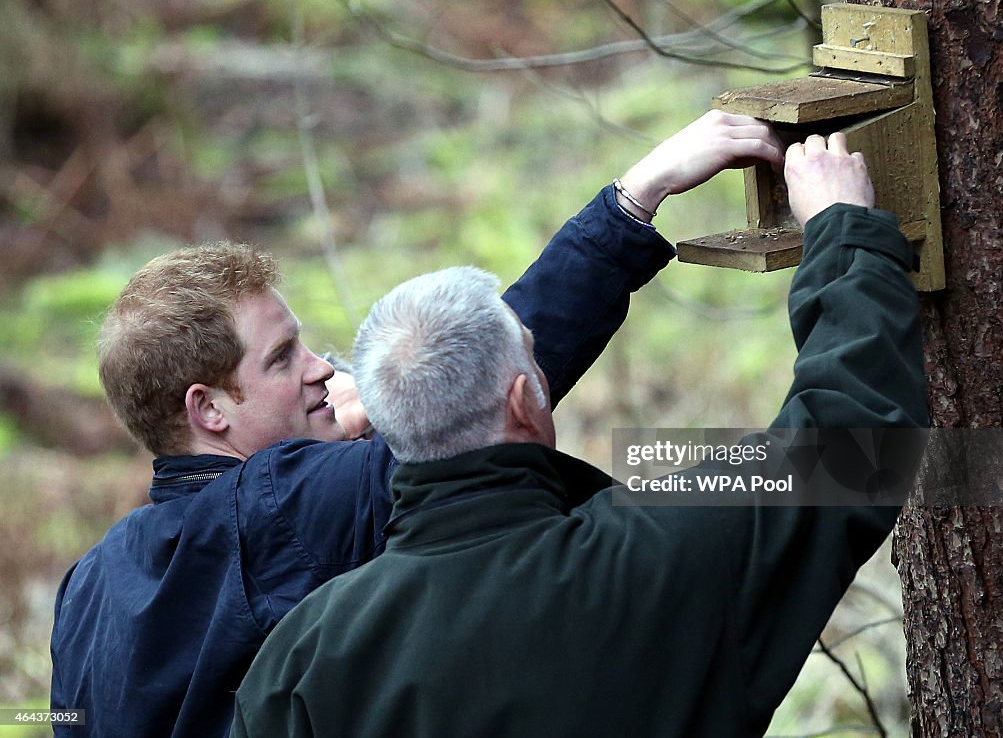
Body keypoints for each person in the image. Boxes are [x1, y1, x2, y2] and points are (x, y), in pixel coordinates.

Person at [49, 111, 785, 738]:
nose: (319, 368)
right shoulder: (283, 507)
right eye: (282, 359)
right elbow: (476, 381)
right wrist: (633, 201)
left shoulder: (88, 587)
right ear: (208, 409)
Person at [230, 133, 929, 738]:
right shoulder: (665, 548)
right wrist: (843, 232)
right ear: (521, 400)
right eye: (532, 356)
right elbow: (852, 446)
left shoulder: (303, 659)